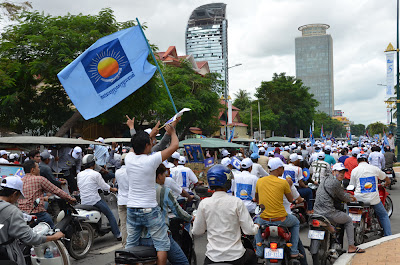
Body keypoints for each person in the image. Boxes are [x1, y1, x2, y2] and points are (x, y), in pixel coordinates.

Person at [125, 123, 179, 265]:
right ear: (148, 145)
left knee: (131, 243)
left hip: (131, 208)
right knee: (161, 244)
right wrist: (172, 132)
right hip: (150, 209)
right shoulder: (151, 160)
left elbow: (136, 144)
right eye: (151, 142)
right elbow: (174, 147)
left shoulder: (128, 159)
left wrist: (150, 135)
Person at [193, 164, 259, 265]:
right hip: (236, 257)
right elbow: (249, 230)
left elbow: (197, 231)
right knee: (252, 255)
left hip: (212, 257)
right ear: (227, 181)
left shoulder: (204, 203)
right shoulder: (237, 202)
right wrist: (256, 226)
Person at [0, 177, 65, 265]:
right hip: (5, 253)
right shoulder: (12, 211)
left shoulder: (10, 210)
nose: (18, 200)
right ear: (14, 194)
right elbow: (30, 238)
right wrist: (53, 237)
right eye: (18, 196)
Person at [141, 164, 193, 265]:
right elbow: (178, 211)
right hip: (160, 236)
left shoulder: (139, 190)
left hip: (141, 236)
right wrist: (191, 218)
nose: (165, 177)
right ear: (159, 175)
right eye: (164, 174)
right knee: (183, 262)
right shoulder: (164, 190)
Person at [314, 163, 365, 254]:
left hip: (316, 212)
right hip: (328, 213)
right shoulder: (335, 183)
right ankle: (351, 246)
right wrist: (350, 198)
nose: (341, 174)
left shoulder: (325, 179)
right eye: (339, 172)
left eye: (343, 172)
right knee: (349, 220)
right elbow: (343, 197)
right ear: (333, 172)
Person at [255, 157, 300, 259]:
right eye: (282, 168)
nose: (283, 170)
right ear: (278, 168)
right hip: (281, 219)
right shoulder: (283, 182)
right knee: (296, 222)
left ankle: (259, 250)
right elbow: (290, 199)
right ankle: (294, 251)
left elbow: (257, 199)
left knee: (255, 225)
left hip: (264, 219)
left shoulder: (260, 181)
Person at [18, 160, 76, 228]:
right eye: (38, 168)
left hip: (21, 213)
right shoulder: (39, 179)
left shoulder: (20, 181)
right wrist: (70, 198)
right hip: (37, 213)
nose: (39, 170)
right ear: (33, 170)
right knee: (52, 229)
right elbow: (56, 190)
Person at [77, 154, 121, 239]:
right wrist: (113, 189)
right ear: (93, 164)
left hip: (83, 201)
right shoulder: (96, 174)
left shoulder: (79, 174)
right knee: (110, 215)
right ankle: (118, 234)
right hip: (95, 201)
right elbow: (104, 186)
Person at [350, 153, 392, 236]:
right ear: (367, 160)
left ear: (357, 161)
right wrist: (388, 182)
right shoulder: (374, 169)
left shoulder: (354, 170)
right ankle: (388, 236)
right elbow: (385, 177)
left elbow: (352, 185)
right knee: (383, 215)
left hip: (359, 199)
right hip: (373, 199)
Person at [115, 153, 129, 247]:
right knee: (132, 225)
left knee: (123, 225)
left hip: (121, 201)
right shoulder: (131, 171)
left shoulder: (117, 172)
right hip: (130, 201)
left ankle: (124, 244)